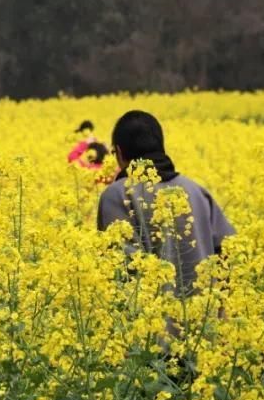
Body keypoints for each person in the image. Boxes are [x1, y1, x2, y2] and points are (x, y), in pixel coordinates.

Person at [97, 110, 234, 296]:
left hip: (147, 323)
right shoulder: (197, 191)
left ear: (119, 152)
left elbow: (118, 268)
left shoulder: (117, 195)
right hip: (204, 322)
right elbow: (229, 252)